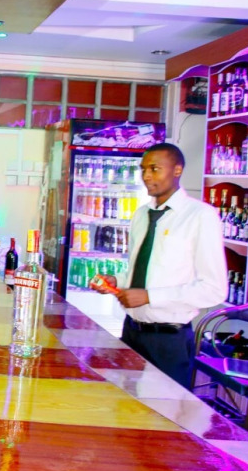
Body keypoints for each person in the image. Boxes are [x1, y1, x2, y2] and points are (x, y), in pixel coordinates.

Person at [96, 143, 227, 389]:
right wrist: (117, 281)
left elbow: (214, 289)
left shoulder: (200, 216)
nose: (146, 176)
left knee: (164, 410)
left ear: (177, 170)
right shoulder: (141, 214)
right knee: (126, 406)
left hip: (169, 341)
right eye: (143, 169)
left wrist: (149, 297)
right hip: (131, 332)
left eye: (154, 169)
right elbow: (143, 270)